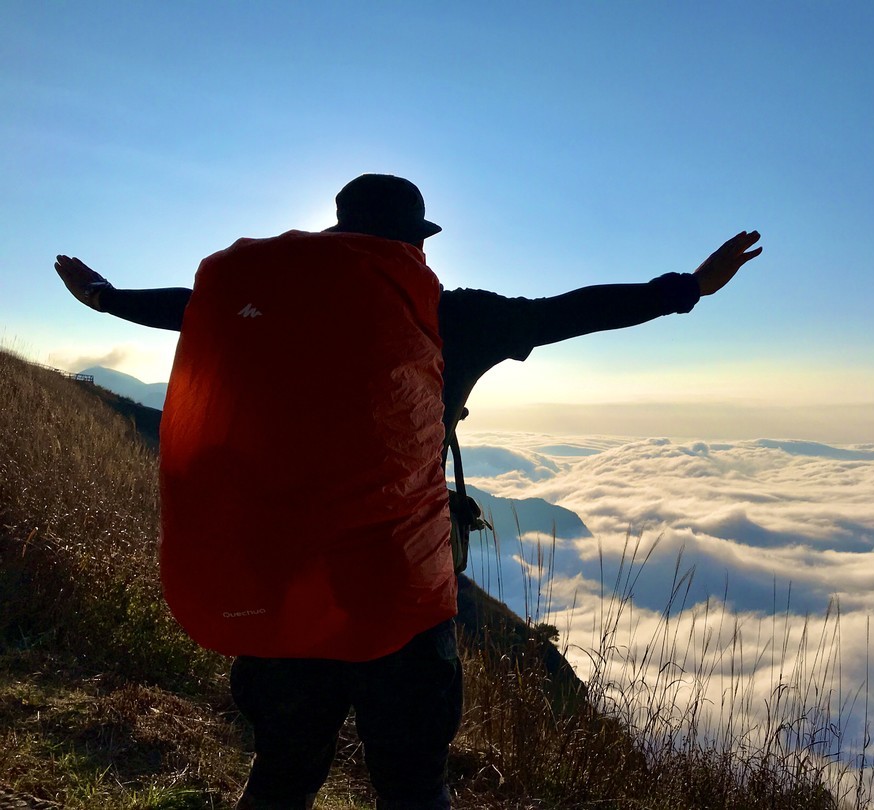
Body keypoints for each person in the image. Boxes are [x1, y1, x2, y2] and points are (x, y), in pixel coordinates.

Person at [55, 173, 762, 810]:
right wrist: (686, 290)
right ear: (414, 242)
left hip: (285, 583)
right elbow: (567, 311)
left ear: (339, 232)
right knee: (414, 785)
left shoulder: (262, 310)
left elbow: (185, 306)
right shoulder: (450, 315)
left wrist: (102, 297)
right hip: (400, 593)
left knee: (282, 773)